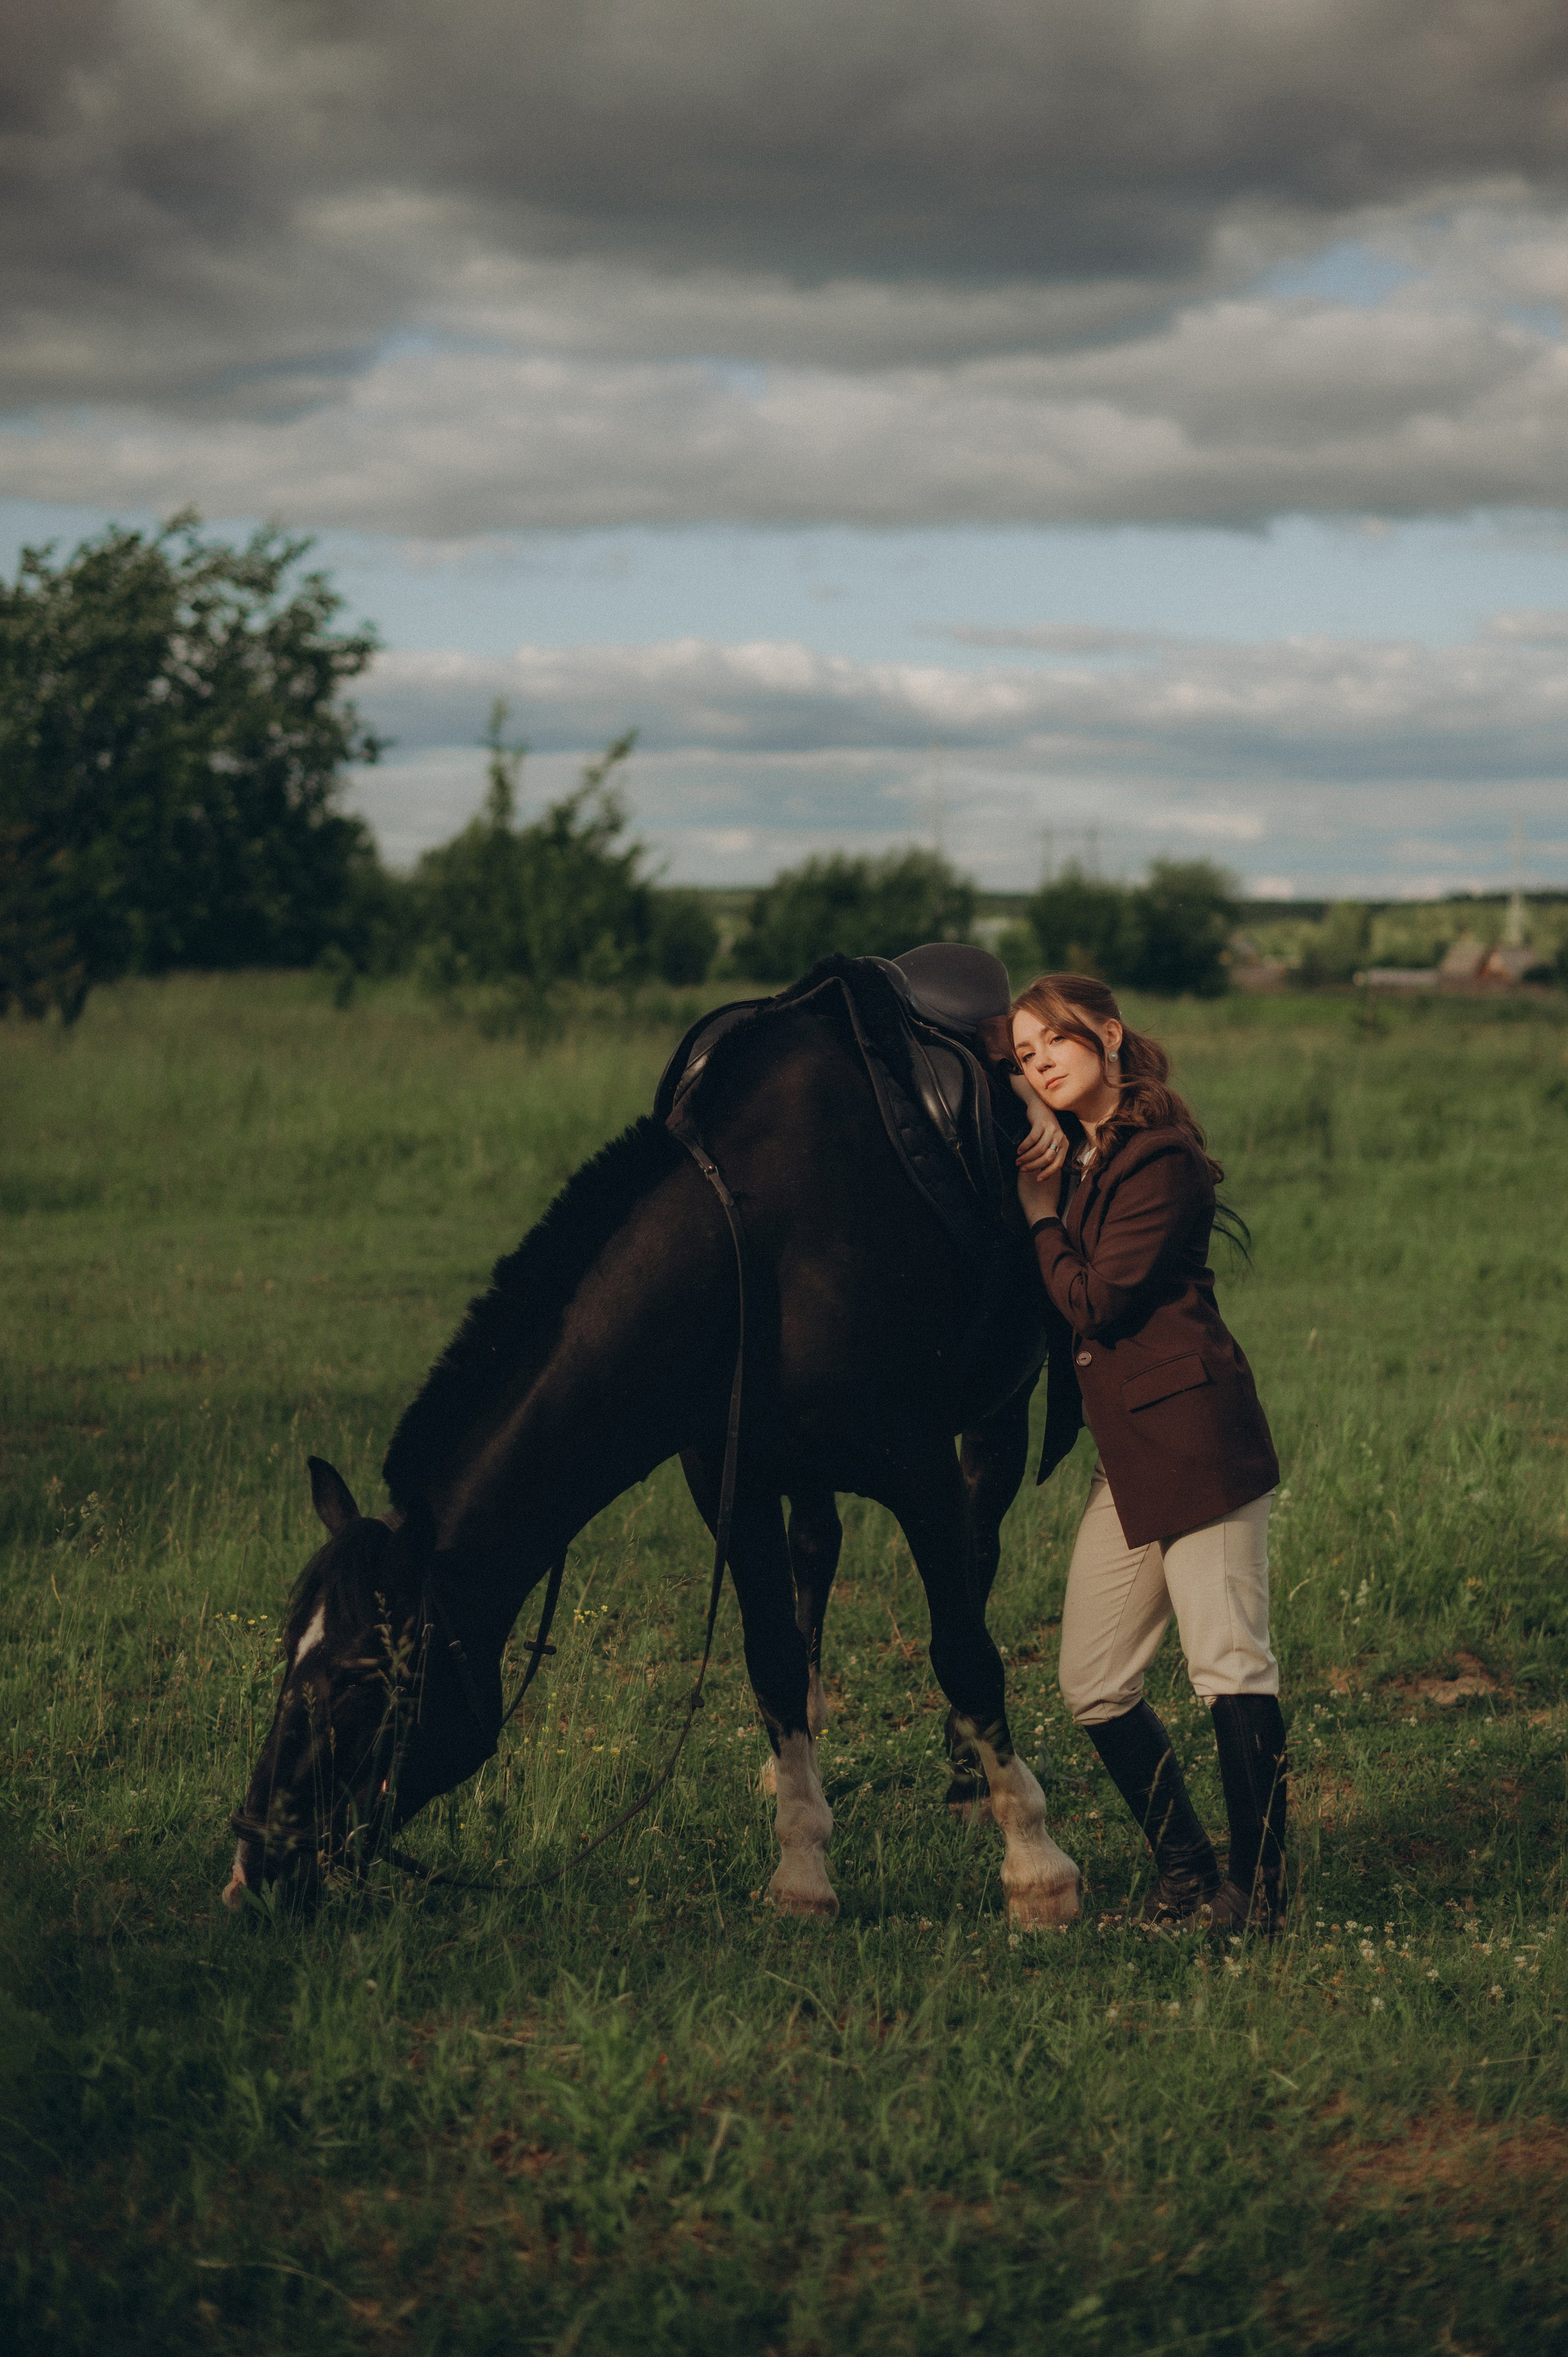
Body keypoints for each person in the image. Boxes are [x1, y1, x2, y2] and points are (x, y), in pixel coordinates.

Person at [1012, 972, 1287, 1934]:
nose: (1041, 1063)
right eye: (1026, 1055)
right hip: (1131, 1456)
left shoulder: (1157, 1158)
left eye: (1056, 1041)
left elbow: (1095, 1301)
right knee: (1092, 1680)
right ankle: (1187, 1874)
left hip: (1197, 1441)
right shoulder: (1086, 1157)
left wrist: (1039, 1214)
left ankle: (1259, 1897)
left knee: (1230, 1664)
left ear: (1110, 1035)